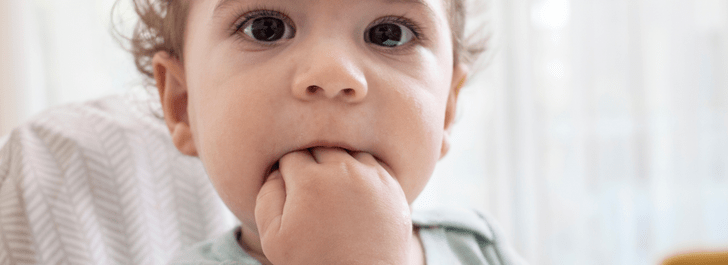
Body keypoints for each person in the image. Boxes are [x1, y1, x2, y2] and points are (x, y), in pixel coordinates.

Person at [130, 0, 526, 264]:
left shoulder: (477, 247)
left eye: (389, 33)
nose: (332, 73)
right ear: (182, 103)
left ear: (446, 110)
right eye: (266, 28)